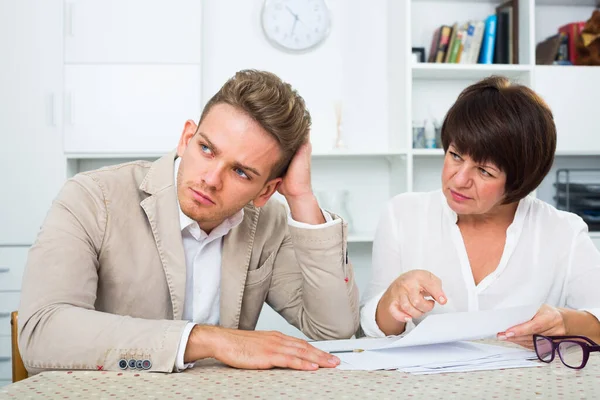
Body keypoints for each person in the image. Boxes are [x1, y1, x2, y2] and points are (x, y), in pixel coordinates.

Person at [19, 69, 359, 374]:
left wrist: (301, 198)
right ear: (186, 138)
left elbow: (334, 329)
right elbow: (43, 333)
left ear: (266, 191)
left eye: (241, 172)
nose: (211, 179)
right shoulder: (93, 197)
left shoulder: (269, 220)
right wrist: (209, 340)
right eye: (208, 149)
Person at [360, 76, 600, 348]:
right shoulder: (402, 215)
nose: (459, 179)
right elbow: (371, 329)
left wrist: (565, 322)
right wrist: (392, 300)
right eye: (455, 155)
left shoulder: (563, 231)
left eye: (485, 171)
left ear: (520, 181)